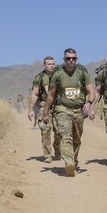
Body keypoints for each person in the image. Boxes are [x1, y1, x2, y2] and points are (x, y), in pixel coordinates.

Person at [42, 48, 95, 177]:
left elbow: (91, 91)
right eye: (68, 58)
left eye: (73, 58)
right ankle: (69, 162)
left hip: (78, 110)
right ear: (64, 60)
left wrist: (89, 104)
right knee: (66, 135)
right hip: (63, 109)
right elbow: (51, 94)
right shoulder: (58, 74)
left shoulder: (82, 73)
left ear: (76, 59)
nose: (71, 61)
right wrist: (45, 112)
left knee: (77, 139)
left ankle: (73, 159)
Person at [28, 56, 62, 163]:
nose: (51, 66)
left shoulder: (60, 75)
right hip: (44, 106)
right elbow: (34, 94)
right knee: (45, 130)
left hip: (58, 106)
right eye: (49, 64)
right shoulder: (40, 77)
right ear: (44, 65)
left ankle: (57, 149)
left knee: (59, 131)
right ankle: (47, 154)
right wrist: (30, 109)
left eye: (53, 64)